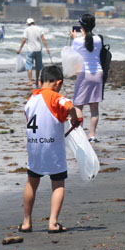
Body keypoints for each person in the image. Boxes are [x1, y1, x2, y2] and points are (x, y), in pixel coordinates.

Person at [20, 66, 82, 234]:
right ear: (58, 83)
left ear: (40, 82)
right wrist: (76, 120)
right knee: (58, 183)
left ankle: (26, 222)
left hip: (34, 147)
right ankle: (53, 223)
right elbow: (69, 107)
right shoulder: (56, 97)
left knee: (32, 182)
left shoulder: (32, 98)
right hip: (52, 148)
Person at [71, 14, 104, 142]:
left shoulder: (78, 41)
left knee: (78, 106)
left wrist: (74, 38)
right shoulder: (99, 39)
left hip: (84, 74)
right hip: (98, 73)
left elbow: (73, 56)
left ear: (81, 26)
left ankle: (80, 135)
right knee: (94, 108)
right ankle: (92, 135)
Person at [17, 18, 50, 90]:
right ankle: (37, 80)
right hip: (38, 50)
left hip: (30, 50)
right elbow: (43, 39)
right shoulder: (39, 29)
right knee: (38, 66)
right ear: (33, 22)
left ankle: (30, 81)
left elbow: (24, 40)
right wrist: (47, 48)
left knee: (29, 66)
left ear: (28, 23)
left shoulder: (26, 30)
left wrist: (20, 49)